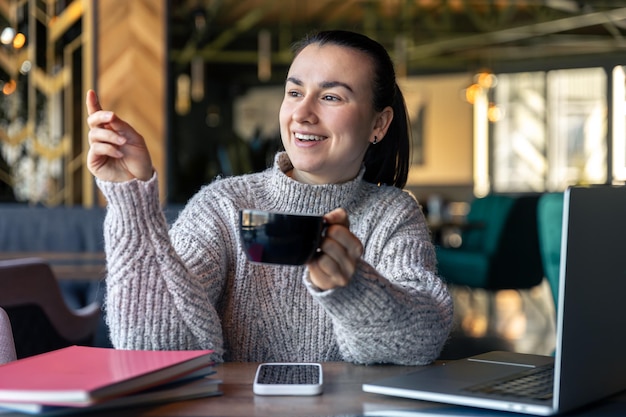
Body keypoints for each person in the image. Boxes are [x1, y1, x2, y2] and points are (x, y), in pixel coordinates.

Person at [86, 30, 453, 365]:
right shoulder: (223, 206)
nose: (302, 114)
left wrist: (351, 287)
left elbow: (420, 342)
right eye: (294, 93)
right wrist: (131, 200)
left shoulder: (393, 215)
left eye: (330, 96)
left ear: (379, 124)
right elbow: (157, 352)